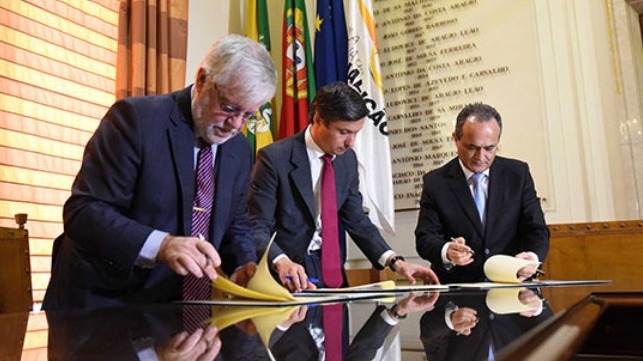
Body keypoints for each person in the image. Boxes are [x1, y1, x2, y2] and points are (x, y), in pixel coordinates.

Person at [42, 34, 277, 310]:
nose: (236, 124)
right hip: (101, 309)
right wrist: (161, 245)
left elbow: (236, 224)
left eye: (248, 115)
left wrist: (244, 265)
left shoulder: (239, 150)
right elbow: (84, 213)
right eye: (229, 108)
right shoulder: (135, 120)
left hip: (173, 314)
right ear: (202, 80)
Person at [248, 81, 439, 292]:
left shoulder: (347, 161)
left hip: (331, 273)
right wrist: (280, 260)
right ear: (318, 120)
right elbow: (257, 226)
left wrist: (395, 262)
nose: (351, 143)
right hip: (283, 276)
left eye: (356, 133)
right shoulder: (274, 159)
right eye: (344, 132)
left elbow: (357, 219)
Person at [415, 103, 550, 283]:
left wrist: (532, 258)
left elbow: (537, 229)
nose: (480, 157)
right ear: (455, 139)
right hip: (459, 294)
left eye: (489, 148)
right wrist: (446, 250)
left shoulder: (518, 174)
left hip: (511, 286)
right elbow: (425, 238)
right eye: (472, 147)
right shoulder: (435, 182)